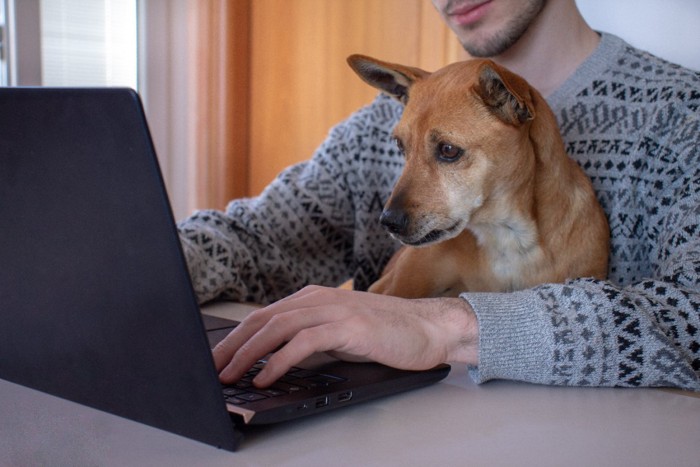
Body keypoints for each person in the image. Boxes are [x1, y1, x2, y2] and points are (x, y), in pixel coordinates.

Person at [178, 0, 700, 391]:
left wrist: (446, 328)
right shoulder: (393, 119)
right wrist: (132, 259)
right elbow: (257, 238)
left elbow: (690, 322)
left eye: (448, 152)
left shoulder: (682, 120)